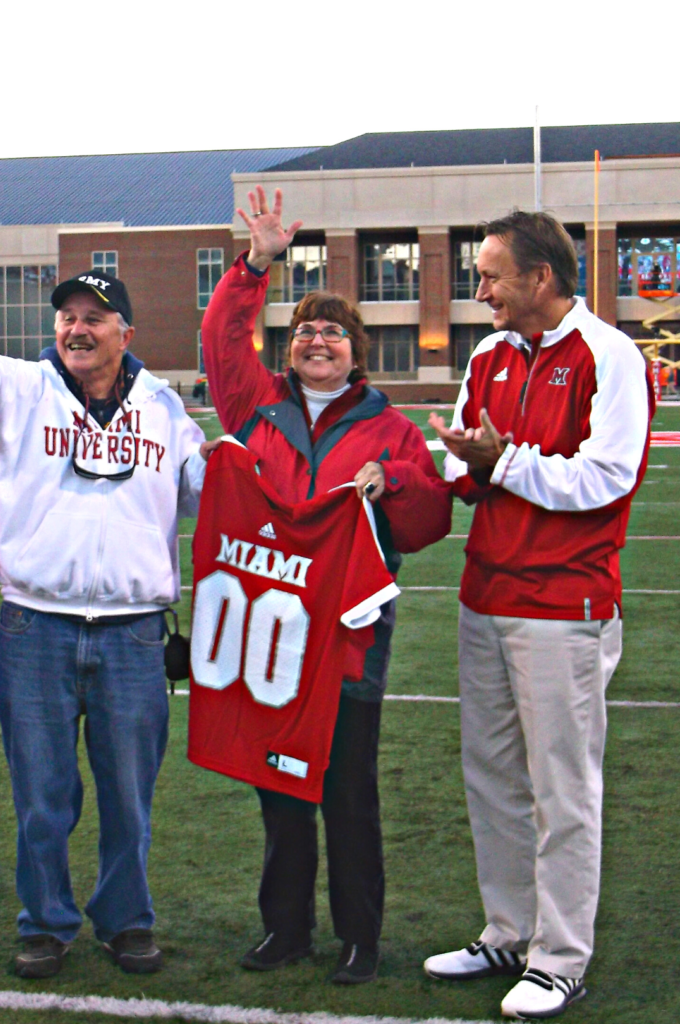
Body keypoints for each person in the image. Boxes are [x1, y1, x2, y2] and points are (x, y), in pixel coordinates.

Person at [0, 228, 208, 980]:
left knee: (129, 798)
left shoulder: (164, 408)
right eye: (67, 317)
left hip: (135, 635)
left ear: (125, 333)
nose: (77, 328)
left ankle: (126, 918)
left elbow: (212, 491)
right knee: (42, 796)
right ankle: (44, 921)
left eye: (94, 318)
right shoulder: (18, 389)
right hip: (35, 626)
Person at [200, 186, 451, 984]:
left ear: (357, 350)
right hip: (273, 643)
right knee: (280, 795)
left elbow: (429, 521)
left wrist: (397, 482)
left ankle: (359, 937)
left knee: (348, 795)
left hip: (349, 644)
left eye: (334, 333)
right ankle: (285, 930)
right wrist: (255, 266)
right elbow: (220, 340)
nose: (317, 340)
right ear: (290, 347)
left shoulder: (390, 425)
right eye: (306, 329)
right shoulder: (256, 406)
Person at [424, 210, 652, 1020]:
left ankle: (560, 958)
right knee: (491, 779)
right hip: (485, 594)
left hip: (564, 602)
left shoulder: (610, 354)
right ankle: (509, 930)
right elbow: (464, 460)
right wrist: (428, 470)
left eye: (490, 275)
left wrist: (502, 461)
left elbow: (607, 478)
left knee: (563, 788)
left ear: (541, 279)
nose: (478, 289)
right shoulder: (487, 354)